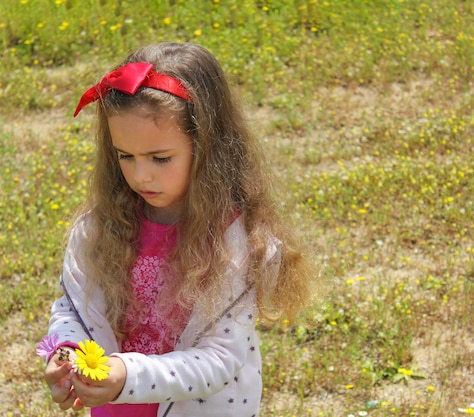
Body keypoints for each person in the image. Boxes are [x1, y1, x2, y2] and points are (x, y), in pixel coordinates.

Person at [42, 42, 316, 417]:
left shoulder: (234, 242)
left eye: (160, 158)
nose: (140, 175)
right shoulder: (102, 224)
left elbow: (219, 358)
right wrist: (69, 351)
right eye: (125, 156)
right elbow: (74, 306)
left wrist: (128, 376)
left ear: (207, 147)